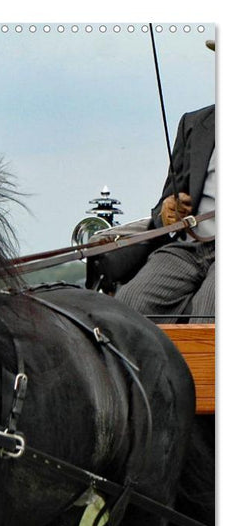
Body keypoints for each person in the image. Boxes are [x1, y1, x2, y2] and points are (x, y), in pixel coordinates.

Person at [115, 42, 215, 324]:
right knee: (129, 303)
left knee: (211, 311)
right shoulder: (195, 123)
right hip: (189, 247)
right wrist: (168, 212)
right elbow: (166, 203)